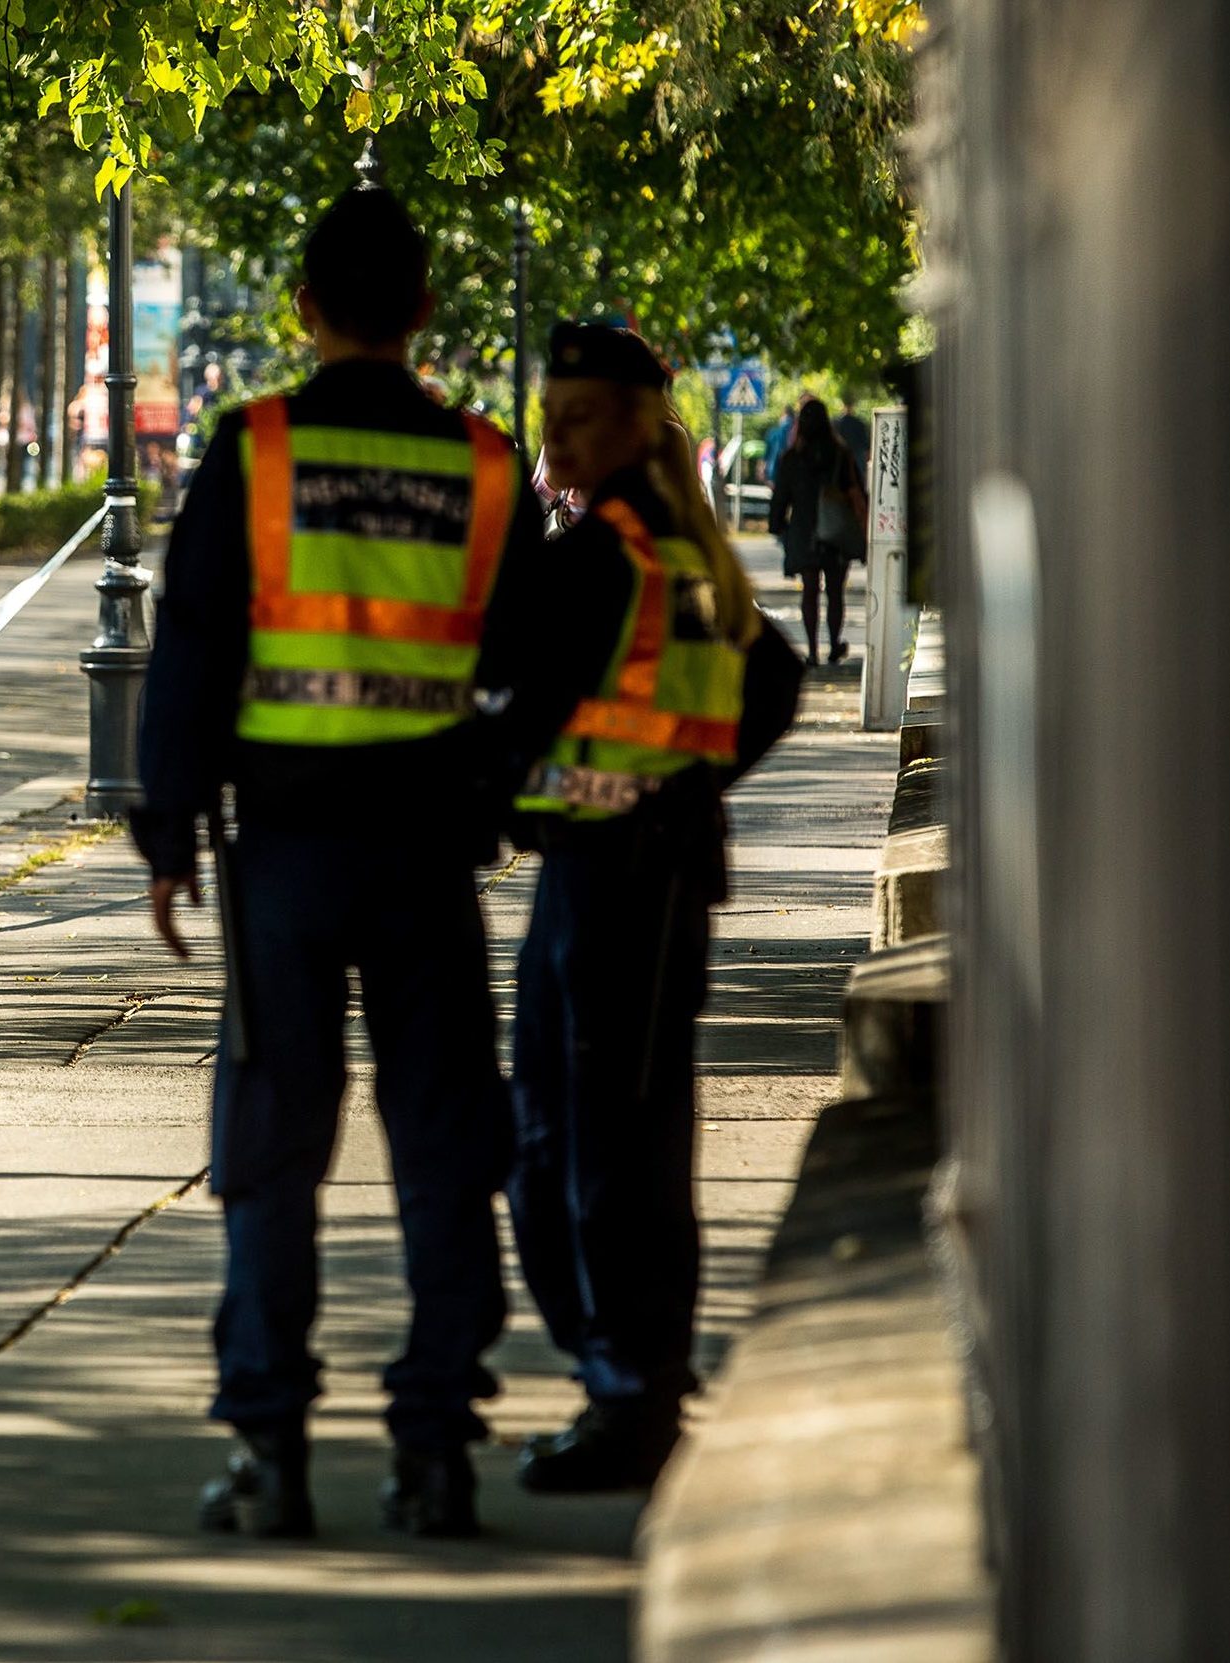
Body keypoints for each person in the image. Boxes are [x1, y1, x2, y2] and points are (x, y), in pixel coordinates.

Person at [131, 189, 619, 1541]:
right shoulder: (475, 463)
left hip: (276, 859)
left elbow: (189, 650)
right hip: (422, 857)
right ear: (420, 309)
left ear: (301, 308)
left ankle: (271, 1449)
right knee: (442, 1148)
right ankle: (432, 1451)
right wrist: (492, 775)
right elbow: (543, 651)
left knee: (270, 1147)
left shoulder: (252, 449)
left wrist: (167, 834)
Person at [504, 322, 804, 1493]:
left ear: (636, 426)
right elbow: (767, 682)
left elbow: (509, 703)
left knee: (581, 1145)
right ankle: (633, 1382)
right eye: (553, 414)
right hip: (650, 873)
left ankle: (626, 1395)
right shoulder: (673, 546)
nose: (557, 434)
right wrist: (688, 786)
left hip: (605, 883)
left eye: (579, 415)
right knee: (625, 1135)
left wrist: (560, 790)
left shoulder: (599, 555)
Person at [768, 395, 866, 664]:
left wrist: (777, 525)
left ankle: (812, 651)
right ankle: (834, 644)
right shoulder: (840, 454)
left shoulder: (792, 458)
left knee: (809, 591)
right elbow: (857, 492)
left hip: (803, 532)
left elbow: (781, 498)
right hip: (835, 532)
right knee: (835, 591)